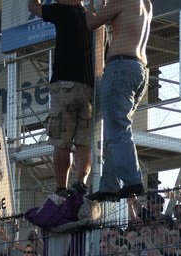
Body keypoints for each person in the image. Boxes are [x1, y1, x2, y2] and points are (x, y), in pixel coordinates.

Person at [86, 0, 153, 202]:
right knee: (114, 129)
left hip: (120, 67)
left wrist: (91, 4)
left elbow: (91, 22)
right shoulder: (146, 4)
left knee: (117, 129)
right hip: (139, 69)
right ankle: (109, 185)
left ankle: (132, 180)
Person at [28, 0, 94, 198]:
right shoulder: (92, 17)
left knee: (62, 141)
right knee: (83, 141)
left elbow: (33, 7)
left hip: (64, 84)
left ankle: (61, 189)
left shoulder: (63, 11)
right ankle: (81, 183)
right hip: (88, 87)